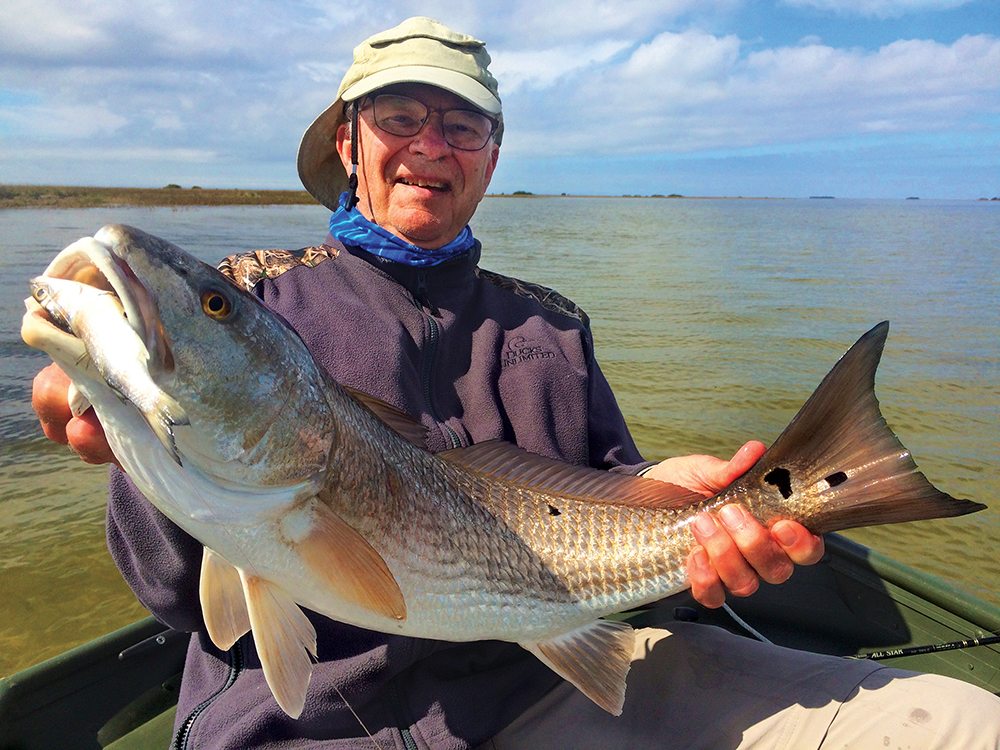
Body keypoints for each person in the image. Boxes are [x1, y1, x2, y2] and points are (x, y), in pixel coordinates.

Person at [31, 17, 1000, 750]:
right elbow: (173, 591)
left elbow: (611, 482)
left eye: (463, 124)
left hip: (551, 682)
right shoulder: (255, 295)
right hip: (306, 726)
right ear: (348, 145)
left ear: (491, 157)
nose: (430, 143)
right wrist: (126, 432)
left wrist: (689, 498)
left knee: (961, 723)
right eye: (399, 116)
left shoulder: (551, 321)